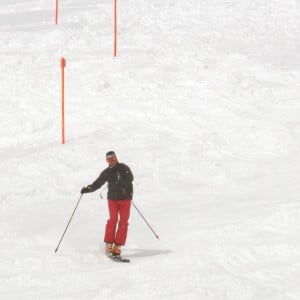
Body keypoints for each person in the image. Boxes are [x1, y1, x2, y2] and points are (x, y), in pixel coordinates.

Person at [80, 151, 134, 257]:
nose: (111, 161)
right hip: (112, 200)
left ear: (116, 158)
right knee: (113, 220)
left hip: (125, 200)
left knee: (123, 222)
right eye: (109, 160)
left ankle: (117, 246)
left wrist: (122, 182)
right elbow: (98, 183)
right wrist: (88, 189)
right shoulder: (107, 172)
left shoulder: (124, 168)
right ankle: (109, 244)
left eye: (112, 159)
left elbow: (130, 178)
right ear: (106, 161)